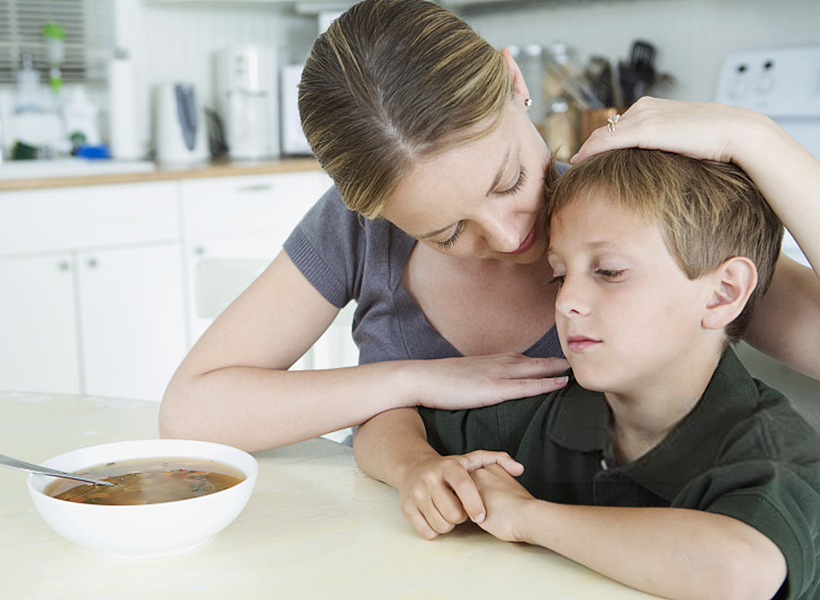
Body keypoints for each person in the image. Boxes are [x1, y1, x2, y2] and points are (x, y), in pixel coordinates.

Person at [159, 0, 820, 453]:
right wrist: (413, 379)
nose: (508, 237)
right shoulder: (357, 231)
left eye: (508, 180)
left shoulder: (632, 218)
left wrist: (756, 137)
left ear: (514, 80)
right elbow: (192, 411)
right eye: (445, 233)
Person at [408, 148, 819, 599]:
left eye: (609, 271)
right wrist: (420, 468)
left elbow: (739, 573)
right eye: (559, 276)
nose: (566, 303)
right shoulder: (557, 410)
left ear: (722, 293)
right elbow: (392, 421)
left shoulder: (776, 448)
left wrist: (525, 515)